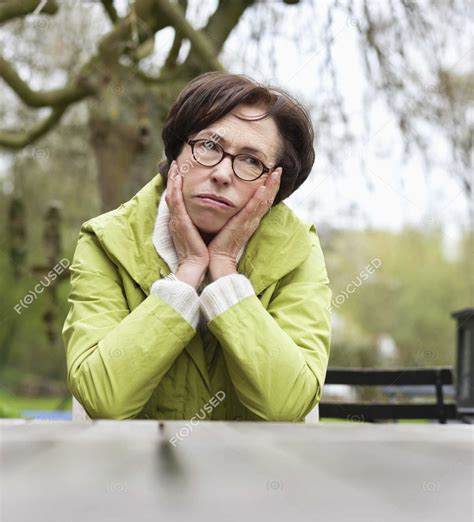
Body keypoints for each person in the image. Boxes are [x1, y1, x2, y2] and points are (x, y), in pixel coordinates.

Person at [62, 71, 332, 422]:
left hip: (255, 474)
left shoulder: (299, 250)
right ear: (177, 153)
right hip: (132, 471)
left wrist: (225, 275)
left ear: (273, 186)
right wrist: (184, 279)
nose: (222, 173)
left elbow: (287, 405)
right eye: (209, 146)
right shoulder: (106, 241)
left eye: (251, 160)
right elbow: (103, 399)